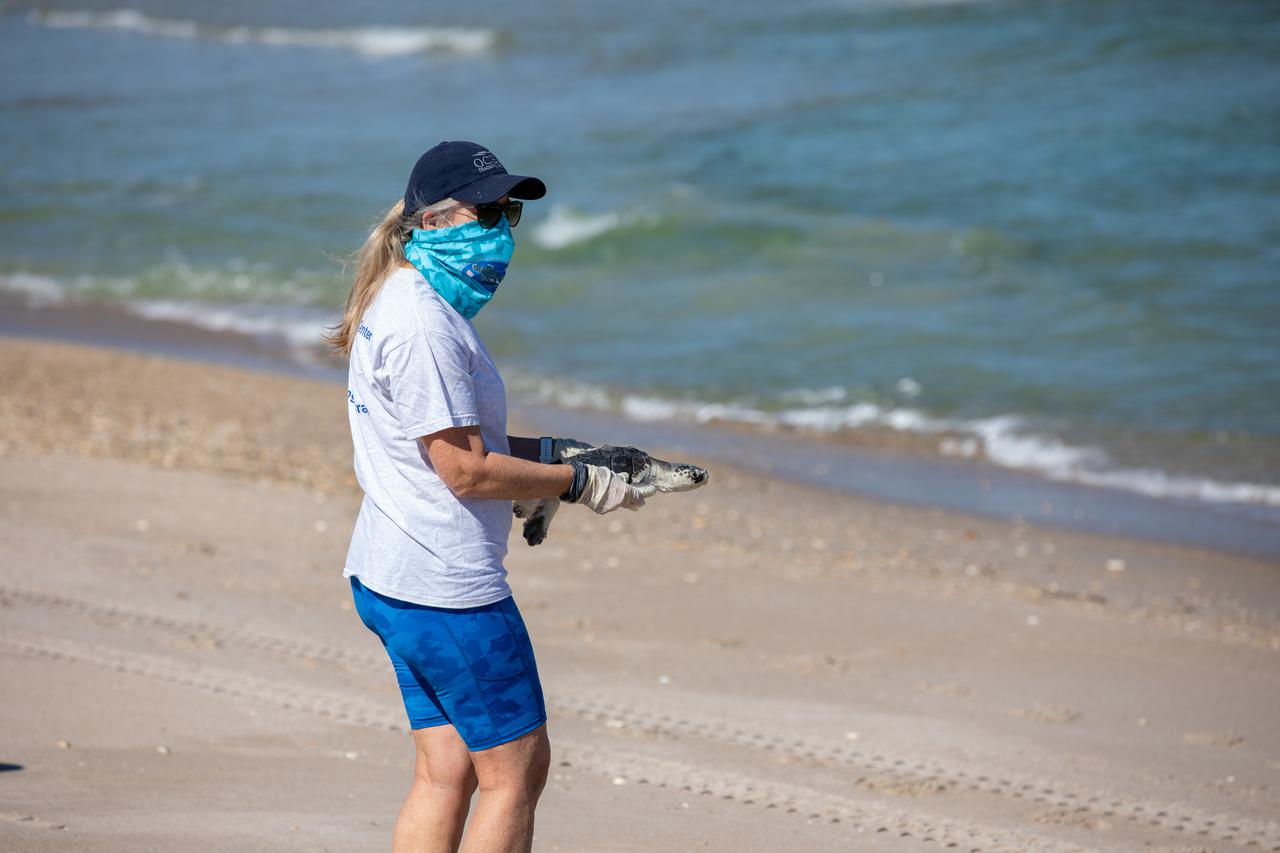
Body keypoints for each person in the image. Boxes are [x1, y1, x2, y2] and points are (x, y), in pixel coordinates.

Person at [322, 141, 652, 853]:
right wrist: (577, 483)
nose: (502, 228)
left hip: (392, 573)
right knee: (516, 773)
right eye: (489, 210)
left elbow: (461, 442)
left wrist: (564, 453)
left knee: (446, 770)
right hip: (446, 589)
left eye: (511, 212)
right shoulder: (423, 326)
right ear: (432, 222)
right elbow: (465, 470)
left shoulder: (404, 298)